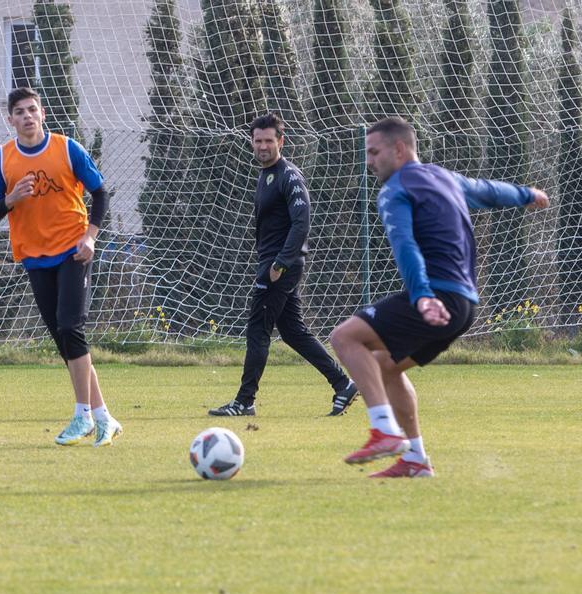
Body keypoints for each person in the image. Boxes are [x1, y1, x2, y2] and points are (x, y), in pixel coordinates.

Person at [330, 117, 548, 478]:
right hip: (466, 306)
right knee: (386, 365)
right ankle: (415, 459)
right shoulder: (445, 178)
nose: (368, 160)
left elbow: (406, 246)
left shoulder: (395, 190)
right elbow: (489, 191)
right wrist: (527, 194)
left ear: (399, 149)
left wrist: (421, 296)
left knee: (344, 336)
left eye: (374, 152)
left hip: (437, 297)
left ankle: (384, 430)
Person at [0, 86, 122, 446]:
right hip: (34, 256)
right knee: (64, 339)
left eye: (32, 109)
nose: (27, 116)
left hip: (74, 250)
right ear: (10, 119)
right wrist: (12, 198)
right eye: (19, 112)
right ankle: (104, 415)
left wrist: (90, 236)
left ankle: (82, 416)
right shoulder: (1, 159)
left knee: (71, 326)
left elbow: (101, 193)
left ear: (42, 113)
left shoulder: (66, 148)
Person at [209, 113, 357, 417]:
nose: (263, 146)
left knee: (257, 330)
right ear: (252, 142)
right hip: (276, 263)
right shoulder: (266, 175)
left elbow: (301, 223)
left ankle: (244, 401)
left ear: (281, 141)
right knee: (292, 331)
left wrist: (280, 262)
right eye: (258, 140)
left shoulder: (289, 175)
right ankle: (342, 384)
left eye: (268, 140)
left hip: (279, 266)